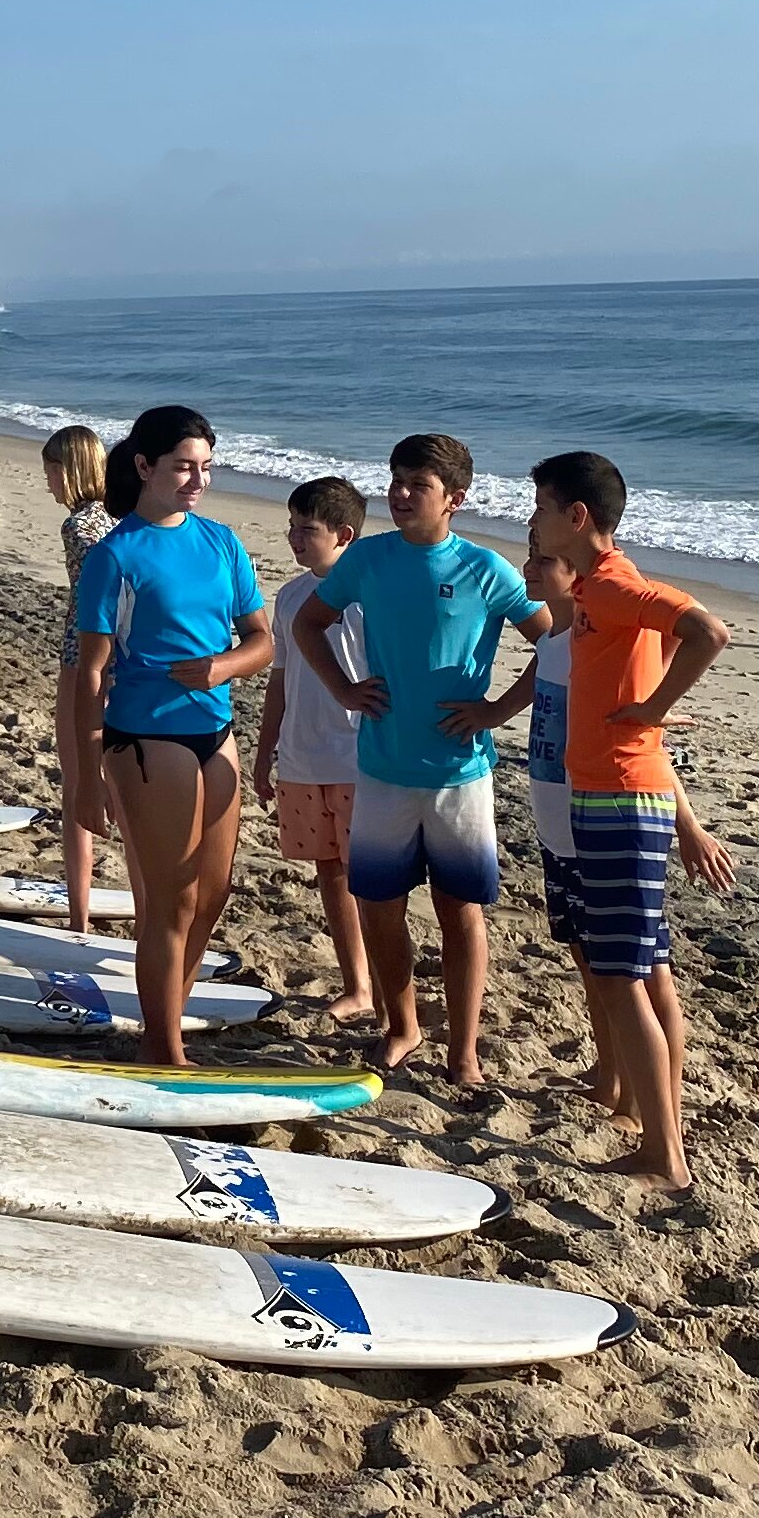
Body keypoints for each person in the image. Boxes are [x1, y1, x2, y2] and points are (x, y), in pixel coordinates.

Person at [299, 432, 546, 1087]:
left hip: (459, 774)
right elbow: (307, 624)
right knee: (380, 906)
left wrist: (497, 711)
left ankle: (464, 1052)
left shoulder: (485, 570)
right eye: (396, 480)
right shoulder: (369, 560)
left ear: (454, 500)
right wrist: (344, 688)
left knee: (460, 910)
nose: (402, 494)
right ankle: (401, 1025)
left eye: (419, 485)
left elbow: (556, 645)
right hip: (381, 767)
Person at [513, 454, 728, 1181]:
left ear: (577, 517)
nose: (533, 522)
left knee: (621, 976)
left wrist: (654, 711)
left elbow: (707, 631)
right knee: (629, 971)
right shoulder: (596, 594)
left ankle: (665, 1154)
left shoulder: (615, 584)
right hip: (603, 795)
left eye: (541, 508)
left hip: (622, 800)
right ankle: (651, 1131)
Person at [62, 404, 273, 1065]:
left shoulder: (221, 542)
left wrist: (223, 666)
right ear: (146, 465)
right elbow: (91, 672)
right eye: (184, 466)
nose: (197, 479)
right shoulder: (115, 555)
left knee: (212, 897)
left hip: (218, 732)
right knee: (171, 901)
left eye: (206, 467)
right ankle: (163, 1047)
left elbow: (263, 641)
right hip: (146, 740)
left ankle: (167, 1021)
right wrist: (89, 777)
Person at [250, 477, 376, 1023]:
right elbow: (280, 678)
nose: (295, 538)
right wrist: (264, 751)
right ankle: (356, 983)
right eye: (292, 528)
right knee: (329, 873)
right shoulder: (293, 595)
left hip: (357, 755)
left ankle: (381, 985)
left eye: (308, 529)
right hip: (302, 756)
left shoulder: (372, 595)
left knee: (369, 879)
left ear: (344, 535)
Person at [40, 424, 113, 935]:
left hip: (82, 655)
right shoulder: (126, 520)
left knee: (78, 786)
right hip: (131, 660)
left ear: (68, 470)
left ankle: (79, 917)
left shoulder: (80, 527)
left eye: (50, 471)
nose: (46, 482)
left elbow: (91, 601)